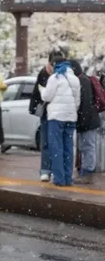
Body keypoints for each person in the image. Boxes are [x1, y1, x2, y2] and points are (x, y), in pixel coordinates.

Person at [41, 56, 80, 187]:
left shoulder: (55, 78)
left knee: (56, 147)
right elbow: (77, 101)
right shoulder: (75, 79)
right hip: (71, 116)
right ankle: (68, 178)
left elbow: (47, 96)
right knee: (68, 147)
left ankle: (59, 178)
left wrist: (42, 91)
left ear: (54, 65)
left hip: (56, 117)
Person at [29, 52, 63, 182]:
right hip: (47, 114)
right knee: (46, 143)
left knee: (56, 143)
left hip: (58, 114)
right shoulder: (44, 74)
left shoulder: (61, 75)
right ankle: (46, 170)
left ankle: (54, 171)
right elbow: (41, 95)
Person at [71, 60, 101, 185]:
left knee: (88, 147)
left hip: (88, 121)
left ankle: (87, 174)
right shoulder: (84, 79)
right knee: (87, 147)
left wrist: (81, 123)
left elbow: (85, 105)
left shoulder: (82, 81)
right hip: (90, 120)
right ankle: (86, 172)